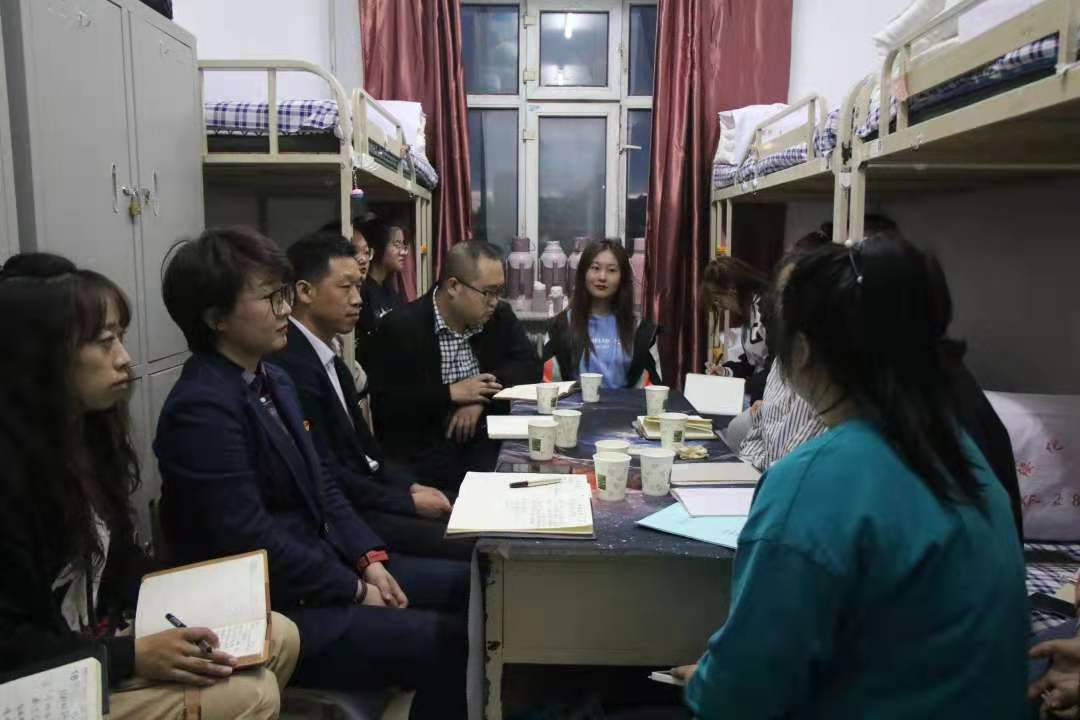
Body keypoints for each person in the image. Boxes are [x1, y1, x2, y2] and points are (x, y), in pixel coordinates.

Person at [678, 232, 1029, 718]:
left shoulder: (812, 482)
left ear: (801, 352)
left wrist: (705, 682)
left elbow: (739, 695)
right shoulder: (958, 451)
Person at [153, 226, 469, 720]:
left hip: (325, 570)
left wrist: (368, 560)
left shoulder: (272, 377)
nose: (285, 309)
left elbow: (322, 482)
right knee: (453, 640)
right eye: (270, 298)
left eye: (284, 294)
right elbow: (251, 539)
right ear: (217, 318)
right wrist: (353, 589)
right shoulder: (201, 408)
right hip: (275, 607)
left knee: (472, 590)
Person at [0, 253, 299, 720]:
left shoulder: (87, 438)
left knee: (276, 634)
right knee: (251, 695)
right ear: (42, 357)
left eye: (119, 337)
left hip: (93, 642)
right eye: (104, 342)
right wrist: (133, 655)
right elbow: (13, 644)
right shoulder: (12, 473)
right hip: (43, 681)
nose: (124, 357)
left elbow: (117, 568)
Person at [272, 231, 471, 561]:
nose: (357, 299)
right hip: (349, 515)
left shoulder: (331, 358)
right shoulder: (291, 366)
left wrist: (410, 487)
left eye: (359, 287)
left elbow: (369, 451)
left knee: (471, 512)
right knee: (472, 547)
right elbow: (328, 473)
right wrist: (407, 501)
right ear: (305, 292)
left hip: (372, 496)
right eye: (345, 287)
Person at [367, 240, 542, 493]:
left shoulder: (499, 317)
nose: (494, 302)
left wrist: (480, 396)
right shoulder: (400, 327)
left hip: (487, 448)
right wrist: (450, 394)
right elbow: (387, 407)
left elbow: (530, 366)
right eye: (488, 292)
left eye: (499, 292)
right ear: (453, 286)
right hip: (423, 465)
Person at [542, 239, 661, 388]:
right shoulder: (559, 327)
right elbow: (548, 389)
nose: (602, 277)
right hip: (573, 403)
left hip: (627, 404)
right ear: (583, 273)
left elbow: (654, 392)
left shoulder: (642, 332)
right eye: (595, 268)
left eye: (612, 270)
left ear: (622, 278)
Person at [700, 255, 770, 400]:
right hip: (759, 392)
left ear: (731, 292)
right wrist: (725, 372)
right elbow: (751, 363)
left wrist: (740, 385)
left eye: (719, 300)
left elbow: (776, 371)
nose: (721, 307)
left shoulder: (768, 311)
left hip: (770, 396)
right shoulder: (750, 312)